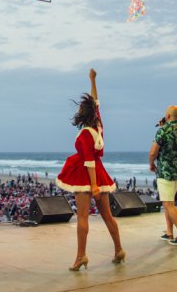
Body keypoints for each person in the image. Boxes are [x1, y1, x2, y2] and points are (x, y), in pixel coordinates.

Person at [56, 69, 124, 271]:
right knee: (108, 216)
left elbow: (89, 162)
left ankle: (81, 256)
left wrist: (94, 186)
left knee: (83, 218)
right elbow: (96, 101)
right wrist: (92, 80)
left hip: (88, 176)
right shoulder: (99, 125)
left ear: (83, 115)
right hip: (100, 174)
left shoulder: (86, 133)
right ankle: (119, 249)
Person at [149, 105, 177, 246]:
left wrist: (151, 164)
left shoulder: (163, 130)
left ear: (167, 116)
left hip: (165, 172)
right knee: (168, 202)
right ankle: (169, 233)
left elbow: (153, 152)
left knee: (168, 204)